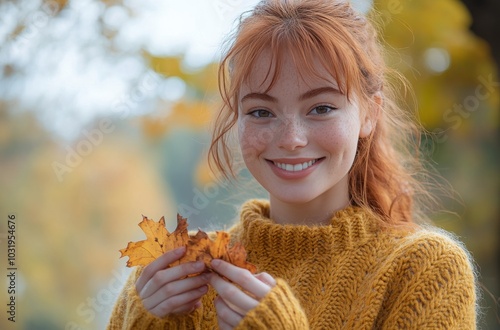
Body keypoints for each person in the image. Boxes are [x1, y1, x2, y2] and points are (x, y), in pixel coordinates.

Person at [108, 0, 478, 328]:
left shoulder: (425, 270)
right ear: (238, 118)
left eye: (321, 108)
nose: (291, 138)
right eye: (261, 111)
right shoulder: (169, 278)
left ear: (369, 114)